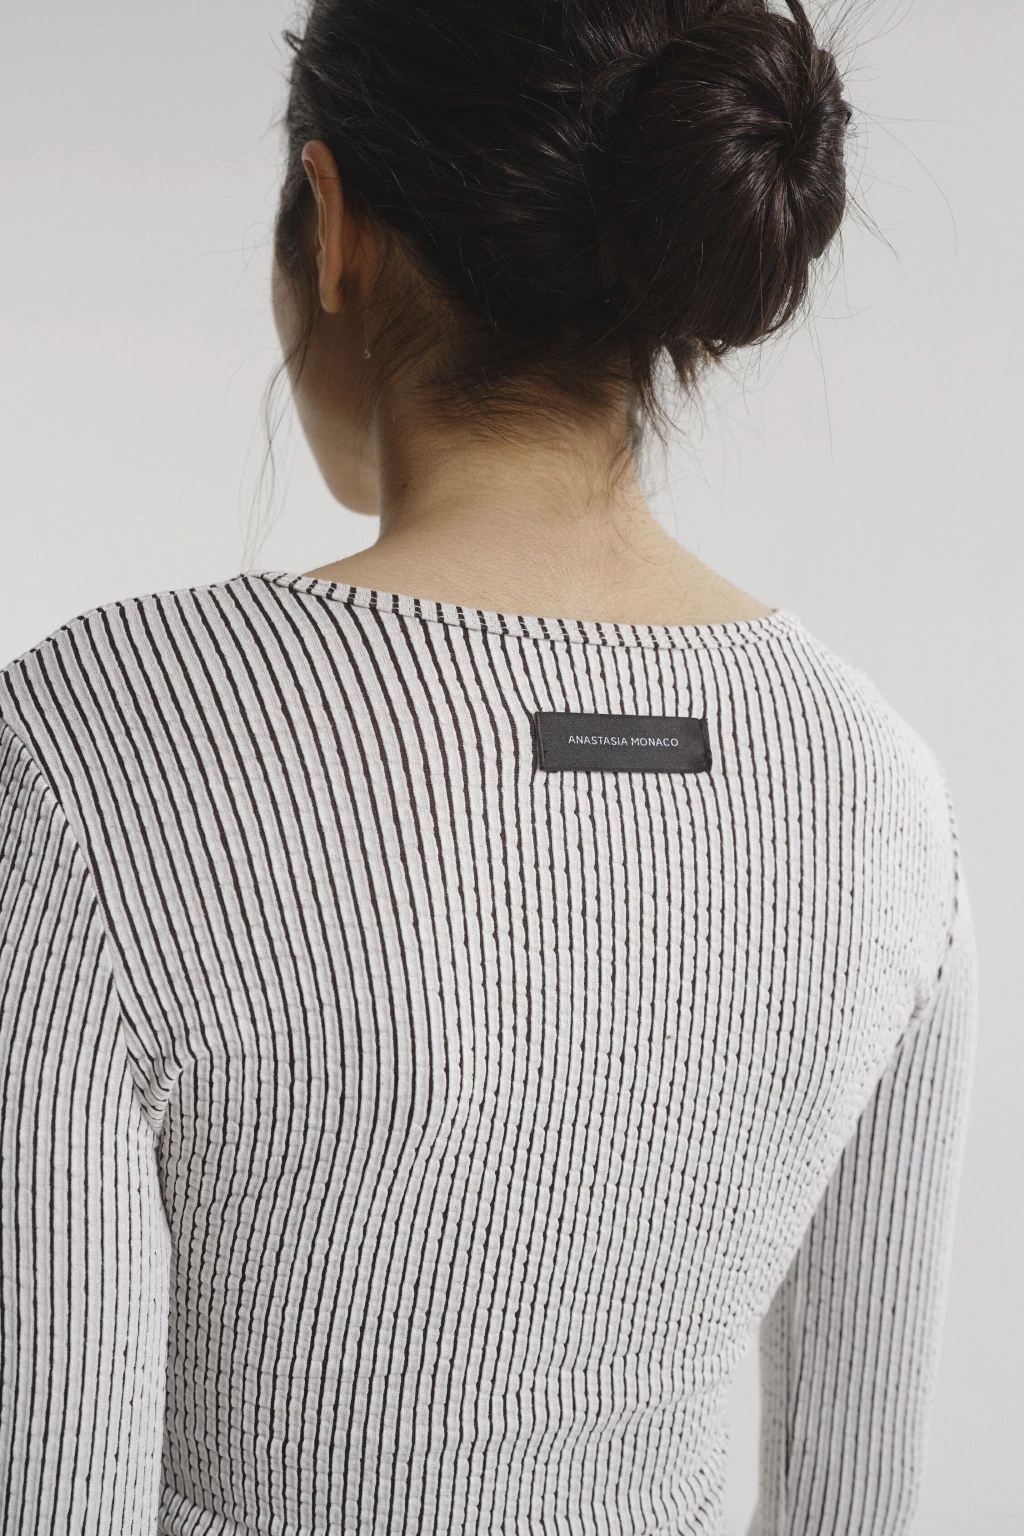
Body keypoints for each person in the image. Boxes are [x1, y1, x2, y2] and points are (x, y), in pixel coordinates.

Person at [0, 1, 977, 1533]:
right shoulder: (882, 798)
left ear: (335, 226)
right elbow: (852, 1498)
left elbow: (50, 1488)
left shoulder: (100, 745)